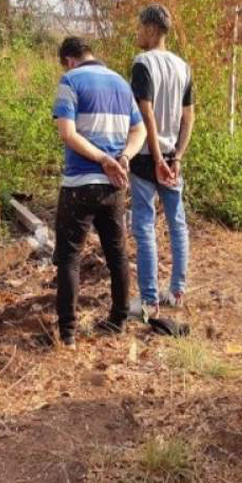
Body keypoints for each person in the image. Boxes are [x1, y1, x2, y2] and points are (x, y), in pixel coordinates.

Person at [52, 36, 146, 346]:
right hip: (113, 186)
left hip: (80, 183)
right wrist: (124, 157)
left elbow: (67, 133)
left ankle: (67, 332)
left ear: (69, 60)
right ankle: (118, 319)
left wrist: (102, 159)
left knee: (69, 257)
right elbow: (139, 129)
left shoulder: (71, 80)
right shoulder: (121, 83)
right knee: (117, 254)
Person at [129, 4, 195, 319]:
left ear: (152, 29)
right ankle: (178, 291)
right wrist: (176, 156)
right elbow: (188, 116)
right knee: (176, 222)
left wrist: (156, 157)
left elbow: (146, 114)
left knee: (144, 226)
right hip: (172, 158)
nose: (138, 32)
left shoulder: (143, 64)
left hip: (147, 158)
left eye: (141, 27)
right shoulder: (183, 66)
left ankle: (150, 301)